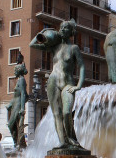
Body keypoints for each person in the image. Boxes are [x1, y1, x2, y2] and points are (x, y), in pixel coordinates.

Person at [30, 19, 85, 149]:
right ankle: (63, 142)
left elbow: (82, 66)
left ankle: (71, 138)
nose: (62, 30)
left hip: (68, 83)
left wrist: (79, 85)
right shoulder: (54, 47)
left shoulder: (74, 48)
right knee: (57, 114)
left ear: (71, 32)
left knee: (67, 112)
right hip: (53, 81)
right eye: (61, 28)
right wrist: (42, 32)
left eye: (65, 28)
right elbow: (32, 44)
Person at [5, 63, 28, 150]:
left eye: (15, 70)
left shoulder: (22, 80)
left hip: (18, 105)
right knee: (12, 125)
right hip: (14, 104)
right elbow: (16, 95)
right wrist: (10, 104)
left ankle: (18, 144)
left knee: (12, 125)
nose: (14, 71)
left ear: (18, 71)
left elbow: (23, 94)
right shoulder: (19, 80)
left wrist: (22, 108)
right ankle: (17, 144)